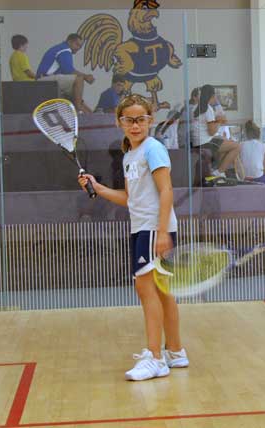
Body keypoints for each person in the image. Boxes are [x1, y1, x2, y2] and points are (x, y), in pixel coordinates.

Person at [78, 94, 189, 381]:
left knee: (146, 290)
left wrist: (163, 232)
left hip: (154, 228)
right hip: (142, 227)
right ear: (120, 122)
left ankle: (154, 358)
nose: (135, 125)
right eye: (129, 120)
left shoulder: (153, 149)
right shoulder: (130, 155)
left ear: (150, 120)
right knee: (163, 292)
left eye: (141, 119)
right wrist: (98, 187)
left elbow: (166, 191)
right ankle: (175, 352)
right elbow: (130, 199)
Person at [37, 33, 95, 113]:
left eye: (80, 46)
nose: (78, 48)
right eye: (77, 44)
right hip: (44, 80)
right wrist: (86, 76)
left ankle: (88, 112)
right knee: (79, 79)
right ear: (69, 42)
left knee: (76, 93)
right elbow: (69, 71)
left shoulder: (62, 48)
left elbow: (66, 72)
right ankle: (78, 108)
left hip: (47, 79)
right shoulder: (64, 49)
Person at [190, 84, 240, 176]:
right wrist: (219, 121)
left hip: (197, 143)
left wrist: (217, 120)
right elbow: (211, 131)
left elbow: (205, 124)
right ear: (212, 96)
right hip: (205, 143)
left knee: (226, 144)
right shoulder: (208, 109)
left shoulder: (195, 108)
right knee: (237, 146)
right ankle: (219, 172)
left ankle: (216, 170)